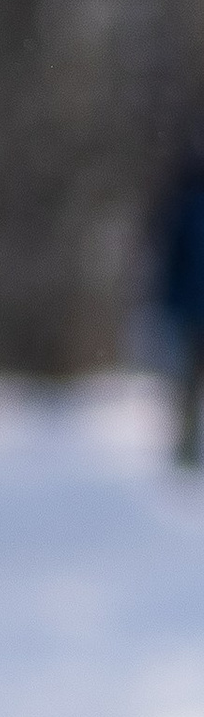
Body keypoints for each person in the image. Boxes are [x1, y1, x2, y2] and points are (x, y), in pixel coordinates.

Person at [147, 137, 204, 470]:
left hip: (187, 308)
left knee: (187, 384)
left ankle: (187, 449)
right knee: (187, 384)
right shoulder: (181, 205)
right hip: (189, 310)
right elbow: (170, 259)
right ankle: (185, 451)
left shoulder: (179, 204)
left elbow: (168, 259)